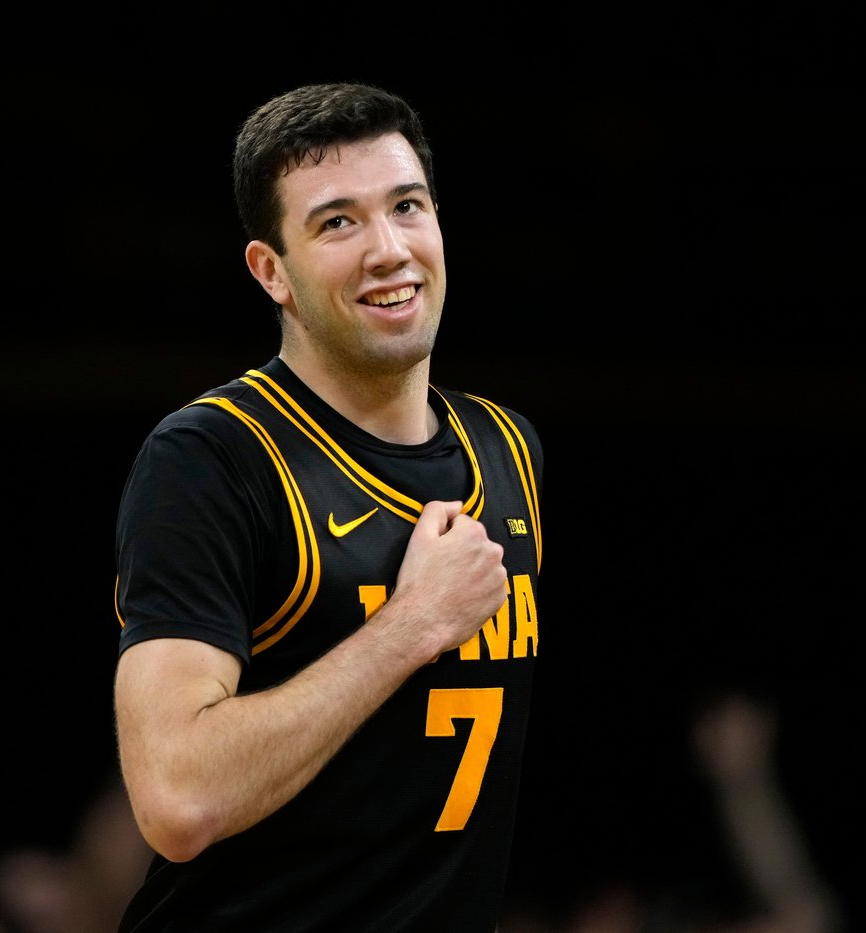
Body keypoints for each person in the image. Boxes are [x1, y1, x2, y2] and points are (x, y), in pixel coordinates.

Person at [109, 81, 545, 932]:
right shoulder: (210, 457)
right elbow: (177, 796)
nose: (389, 249)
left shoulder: (509, 449)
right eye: (337, 222)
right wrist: (412, 624)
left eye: (407, 206)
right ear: (271, 270)